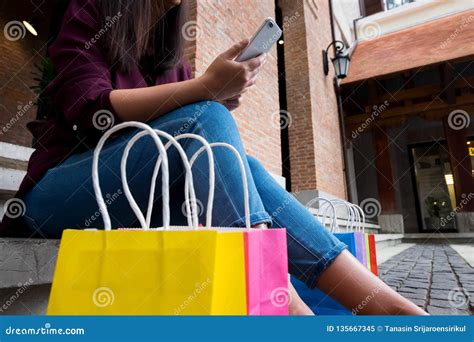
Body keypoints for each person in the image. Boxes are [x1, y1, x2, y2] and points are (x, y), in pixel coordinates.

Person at [2, 0, 427, 315]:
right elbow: (88, 110)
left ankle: (383, 306)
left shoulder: (169, 49)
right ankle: (283, 303)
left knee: (235, 152)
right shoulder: (89, 11)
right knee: (205, 118)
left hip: (138, 199)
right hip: (59, 195)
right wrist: (205, 91)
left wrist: (211, 93)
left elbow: (190, 124)